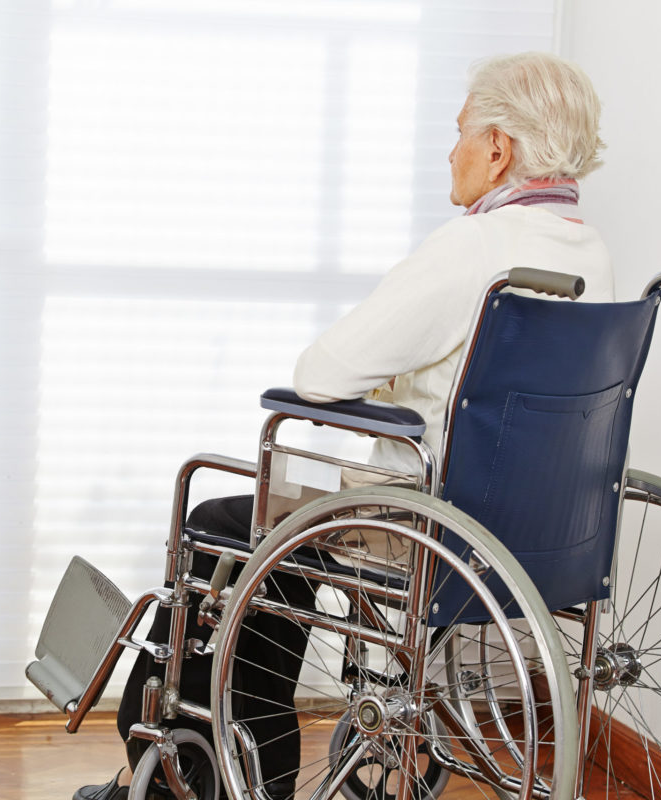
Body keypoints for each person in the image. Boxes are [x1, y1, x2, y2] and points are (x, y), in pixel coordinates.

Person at [74, 50, 611, 800]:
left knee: (227, 519)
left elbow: (320, 374)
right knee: (282, 518)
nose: (448, 153)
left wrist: (393, 375)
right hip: (542, 535)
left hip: (428, 526)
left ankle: (193, 771)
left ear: (497, 150)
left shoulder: (474, 248)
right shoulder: (591, 254)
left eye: (460, 134)